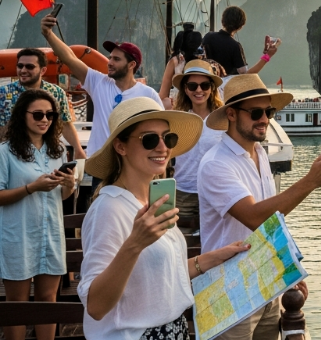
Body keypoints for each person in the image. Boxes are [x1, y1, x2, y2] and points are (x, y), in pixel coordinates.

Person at [77, 97, 249, 339]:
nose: (162, 147)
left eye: (168, 138)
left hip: (172, 330)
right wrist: (134, 244)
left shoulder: (154, 200)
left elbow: (160, 274)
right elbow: (95, 305)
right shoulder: (109, 208)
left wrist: (213, 258)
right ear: (121, 147)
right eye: (149, 139)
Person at [198, 74, 321, 339]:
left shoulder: (261, 154)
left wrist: (289, 269)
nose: (264, 119)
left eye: (268, 111)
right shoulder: (216, 164)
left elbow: (273, 223)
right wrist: (310, 181)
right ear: (231, 114)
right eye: (255, 112)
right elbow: (254, 217)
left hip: (266, 283)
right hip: (229, 291)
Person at [40, 15, 163, 186]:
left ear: (131, 65)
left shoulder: (148, 95)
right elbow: (70, 58)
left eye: (116, 59)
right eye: (110, 57)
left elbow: (160, 133)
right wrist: (48, 34)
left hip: (134, 167)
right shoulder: (99, 83)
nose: (109, 62)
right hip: (103, 168)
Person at [0, 90, 76, 340]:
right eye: (38, 114)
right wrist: (31, 187)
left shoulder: (58, 150)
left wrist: (68, 184)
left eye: (51, 115)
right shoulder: (5, 151)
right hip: (18, 235)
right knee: (17, 304)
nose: (45, 119)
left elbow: (62, 197)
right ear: (23, 116)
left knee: (48, 300)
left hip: (51, 233)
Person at [0, 48, 86, 159]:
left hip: (46, 154)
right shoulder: (3, 94)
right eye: (20, 66)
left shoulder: (56, 92)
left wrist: (78, 150)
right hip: (12, 155)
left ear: (43, 70)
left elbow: (65, 123)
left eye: (29, 67)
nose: (23, 70)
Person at [171, 59, 225, 231]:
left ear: (212, 88)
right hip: (182, 192)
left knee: (213, 245)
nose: (199, 90)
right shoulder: (177, 119)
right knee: (181, 245)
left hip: (214, 192)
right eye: (193, 86)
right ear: (185, 89)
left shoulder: (223, 120)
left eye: (205, 85)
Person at [201, 6, 278, 82]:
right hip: (225, 88)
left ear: (222, 21)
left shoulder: (208, 36)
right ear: (241, 26)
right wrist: (268, 55)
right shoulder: (235, 46)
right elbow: (246, 76)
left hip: (206, 83)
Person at [158, 22, 204, 109]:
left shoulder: (175, 62)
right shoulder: (202, 63)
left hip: (178, 107)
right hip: (199, 108)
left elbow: (163, 95)